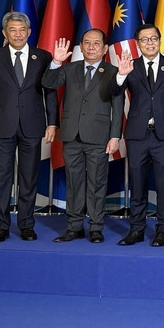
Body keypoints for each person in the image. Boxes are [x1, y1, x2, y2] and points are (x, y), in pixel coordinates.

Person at [0, 12, 57, 243]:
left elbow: (50, 92)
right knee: (1, 179)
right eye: (12, 30)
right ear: (5, 33)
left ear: (29, 32)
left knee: (29, 178)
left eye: (22, 30)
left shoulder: (43, 56)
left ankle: (26, 225)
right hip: (2, 126)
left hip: (33, 125)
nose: (18, 34)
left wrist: (52, 122)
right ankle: (1, 227)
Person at [42, 30, 124, 243]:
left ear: (104, 49)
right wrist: (56, 62)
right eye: (87, 42)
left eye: (96, 43)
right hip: (71, 136)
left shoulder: (114, 72)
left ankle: (96, 227)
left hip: (99, 137)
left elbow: (118, 106)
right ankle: (74, 227)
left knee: (97, 183)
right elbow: (49, 83)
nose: (91, 46)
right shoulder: (70, 68)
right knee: (74, 182)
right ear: (81, 46)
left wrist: (115, 136)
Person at [115, 24, 164, 247]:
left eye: (153, 38)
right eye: (144, 40)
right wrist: (120, 75)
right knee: (137, 183)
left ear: (160, 41)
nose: (150, 43)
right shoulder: (130, 65)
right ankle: (136, 229)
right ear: (137, 44)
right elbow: (115, 93)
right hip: (137, 135)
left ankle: (163, 230)